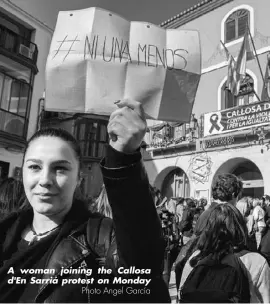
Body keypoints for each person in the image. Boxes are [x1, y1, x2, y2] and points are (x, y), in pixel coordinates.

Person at [0, 99, 170, 303]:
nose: (45, 180)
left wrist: (123, 158)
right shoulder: (5, 232)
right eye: (35, 167)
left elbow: (142, 271)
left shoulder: (101, 239)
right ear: (23, 174)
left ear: (79, 178)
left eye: (60, 168)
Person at [179, 204, 270, 303]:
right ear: (241, 227)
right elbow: (266, 300)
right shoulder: (256, 261)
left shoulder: (195, 258)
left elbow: (182, 294)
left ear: (208, 229)